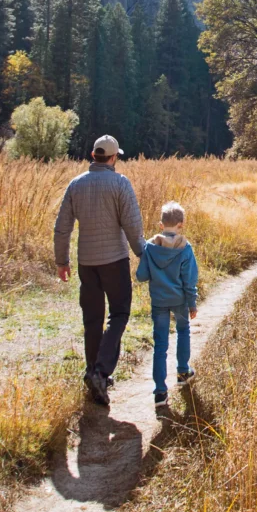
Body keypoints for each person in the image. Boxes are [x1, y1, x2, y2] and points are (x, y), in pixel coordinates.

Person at [53, 134, 147, 407]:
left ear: (94, 156)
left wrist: (62, 261)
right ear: (114, 157)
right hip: (115, 261)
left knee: (92, 318)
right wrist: (143, 255)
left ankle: (93, 372)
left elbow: (62, 227)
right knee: (119, 313)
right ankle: (101, 371)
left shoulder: (76, 184)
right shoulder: (120, 183)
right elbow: (132, 225)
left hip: (86, 263)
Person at [138, 200, 199, 408]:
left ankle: (160, 392)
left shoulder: (150, 247)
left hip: (159, 302)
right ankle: (183, 372)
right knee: (183, 331)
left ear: (161, 224)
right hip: (180, 301)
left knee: (160, 345)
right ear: (181, 224)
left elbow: (141, 275)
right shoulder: (185, 248)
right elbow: (190, 280)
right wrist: (192, 303)